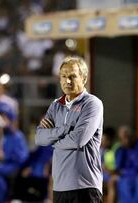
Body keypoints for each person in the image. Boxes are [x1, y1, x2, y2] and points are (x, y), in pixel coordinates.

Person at [35, 56, 104, 203]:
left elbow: (77, 140)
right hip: (60, 186)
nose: (67, 81)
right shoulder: (55, 105)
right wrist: (64, 130)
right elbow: (39, 138)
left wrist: (53, 140)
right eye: (64, 76)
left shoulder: (92, 104)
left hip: (85, 185)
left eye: (73, 76)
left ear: (84, 78)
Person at [115, 125, 138, 203]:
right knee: (123, 181)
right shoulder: (121, 149)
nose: (123, 141)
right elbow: (119, 168)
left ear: (131, 136)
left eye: (125, 137)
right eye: (121, 139)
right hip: (127, 176)